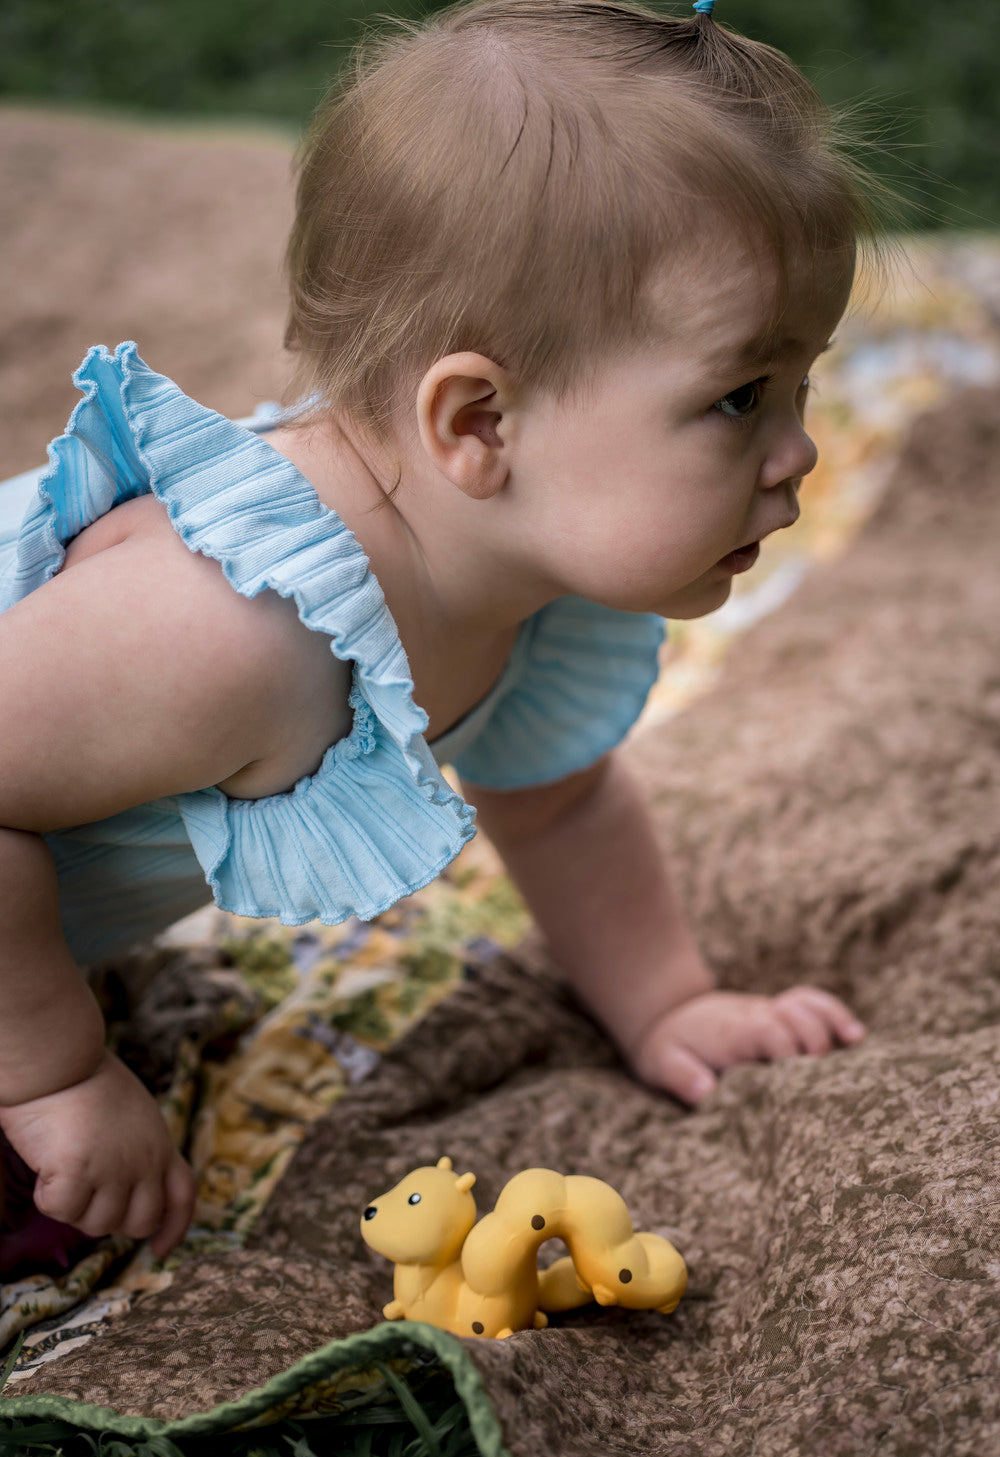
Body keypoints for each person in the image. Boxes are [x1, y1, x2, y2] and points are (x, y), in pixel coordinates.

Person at [0, 0, 873, 1267]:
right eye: (739, 395)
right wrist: (57, 1074)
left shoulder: (519, 572)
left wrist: (670, 1002)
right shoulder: (232, 630)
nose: (797, 453)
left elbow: (559, 805)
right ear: (477, 424)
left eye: (802, 383)